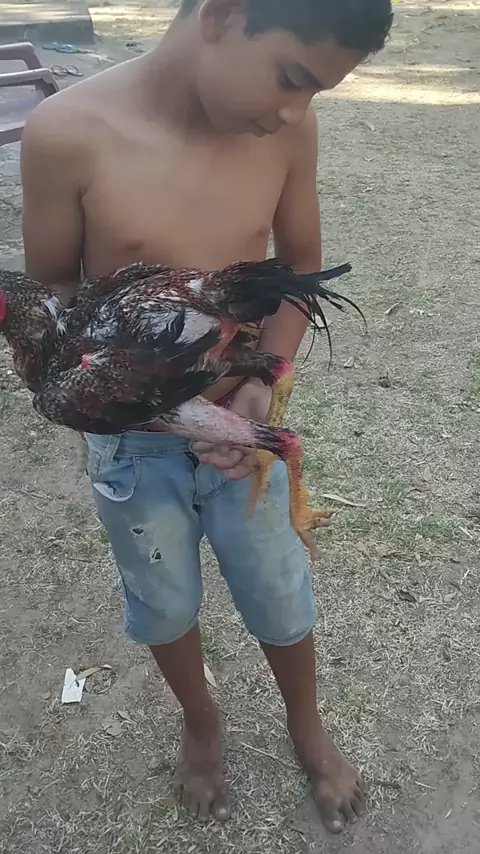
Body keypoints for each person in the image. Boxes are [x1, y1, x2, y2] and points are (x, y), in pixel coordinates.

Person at [21, 0, 392, 832]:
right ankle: (200, 721)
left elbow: (300, 267)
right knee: (161, 599)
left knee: (277, 586)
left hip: (241, 429)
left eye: (315, 93)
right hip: (133, 445)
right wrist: (114, 386)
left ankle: (307, 724)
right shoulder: (66, 133)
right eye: (291, 77)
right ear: (224, 14)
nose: (294, 111)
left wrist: (266, 382)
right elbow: (54, 297)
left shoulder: (285, 132)